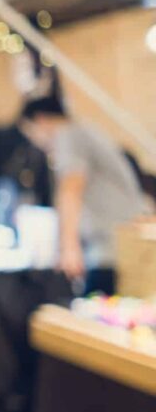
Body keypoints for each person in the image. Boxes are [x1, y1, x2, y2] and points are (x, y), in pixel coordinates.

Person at [21, 95, 150, 294]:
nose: (36, 143)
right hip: (125, 245)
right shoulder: (85, 131)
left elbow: (71, 188)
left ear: (40, 120)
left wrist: (68, 248)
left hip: (111, 250)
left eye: (30, 134)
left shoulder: (68, 136)